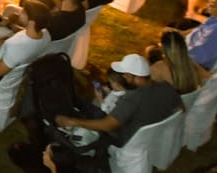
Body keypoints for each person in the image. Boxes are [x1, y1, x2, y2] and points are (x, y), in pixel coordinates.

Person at [53, 53, 182, 147]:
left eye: (126, 76)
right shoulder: (166, 87)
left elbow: (107, 125)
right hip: (151, 138)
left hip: (125, 140)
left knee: (88, 114)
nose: (124, 78)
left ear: (135, 77)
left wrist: (74, 121)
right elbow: (180, 109)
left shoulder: (132, 98)